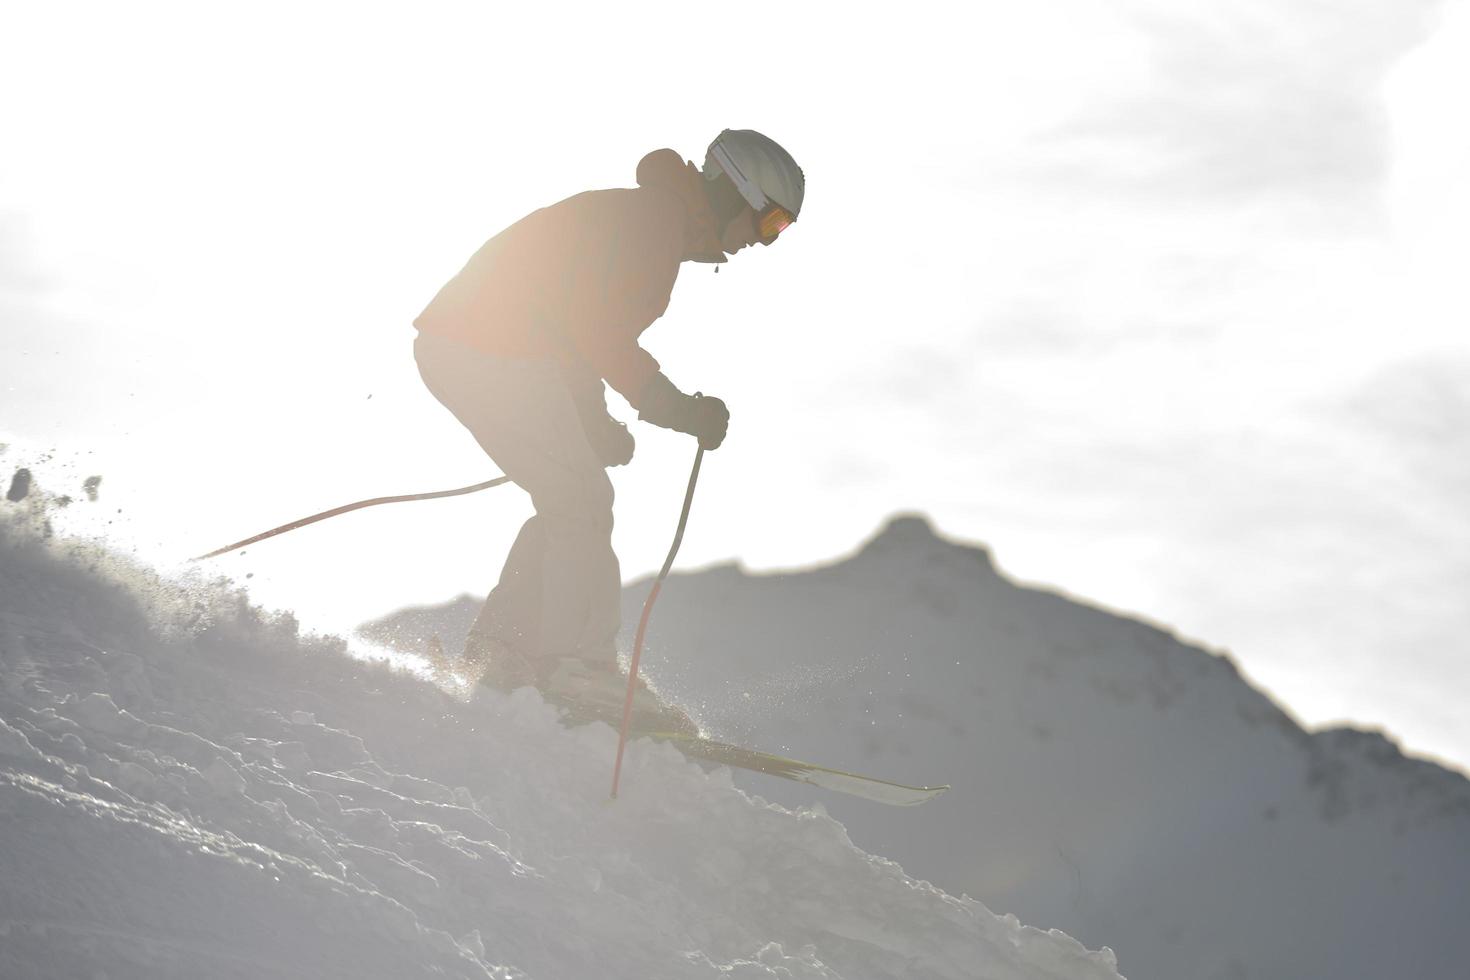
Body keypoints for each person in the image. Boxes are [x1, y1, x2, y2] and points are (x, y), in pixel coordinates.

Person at [413, 129, 804, 723]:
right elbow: (597, 336)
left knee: (570, 497)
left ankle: (507, 650)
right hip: (483, 345)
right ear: (737, 192)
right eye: (771, 221)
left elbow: (570, 332)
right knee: (582, 500)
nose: (764, 241)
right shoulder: (650, 226)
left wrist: (593, 422)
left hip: (479, 345)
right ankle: (574, 665)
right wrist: (678, 409)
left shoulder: (650, 223)